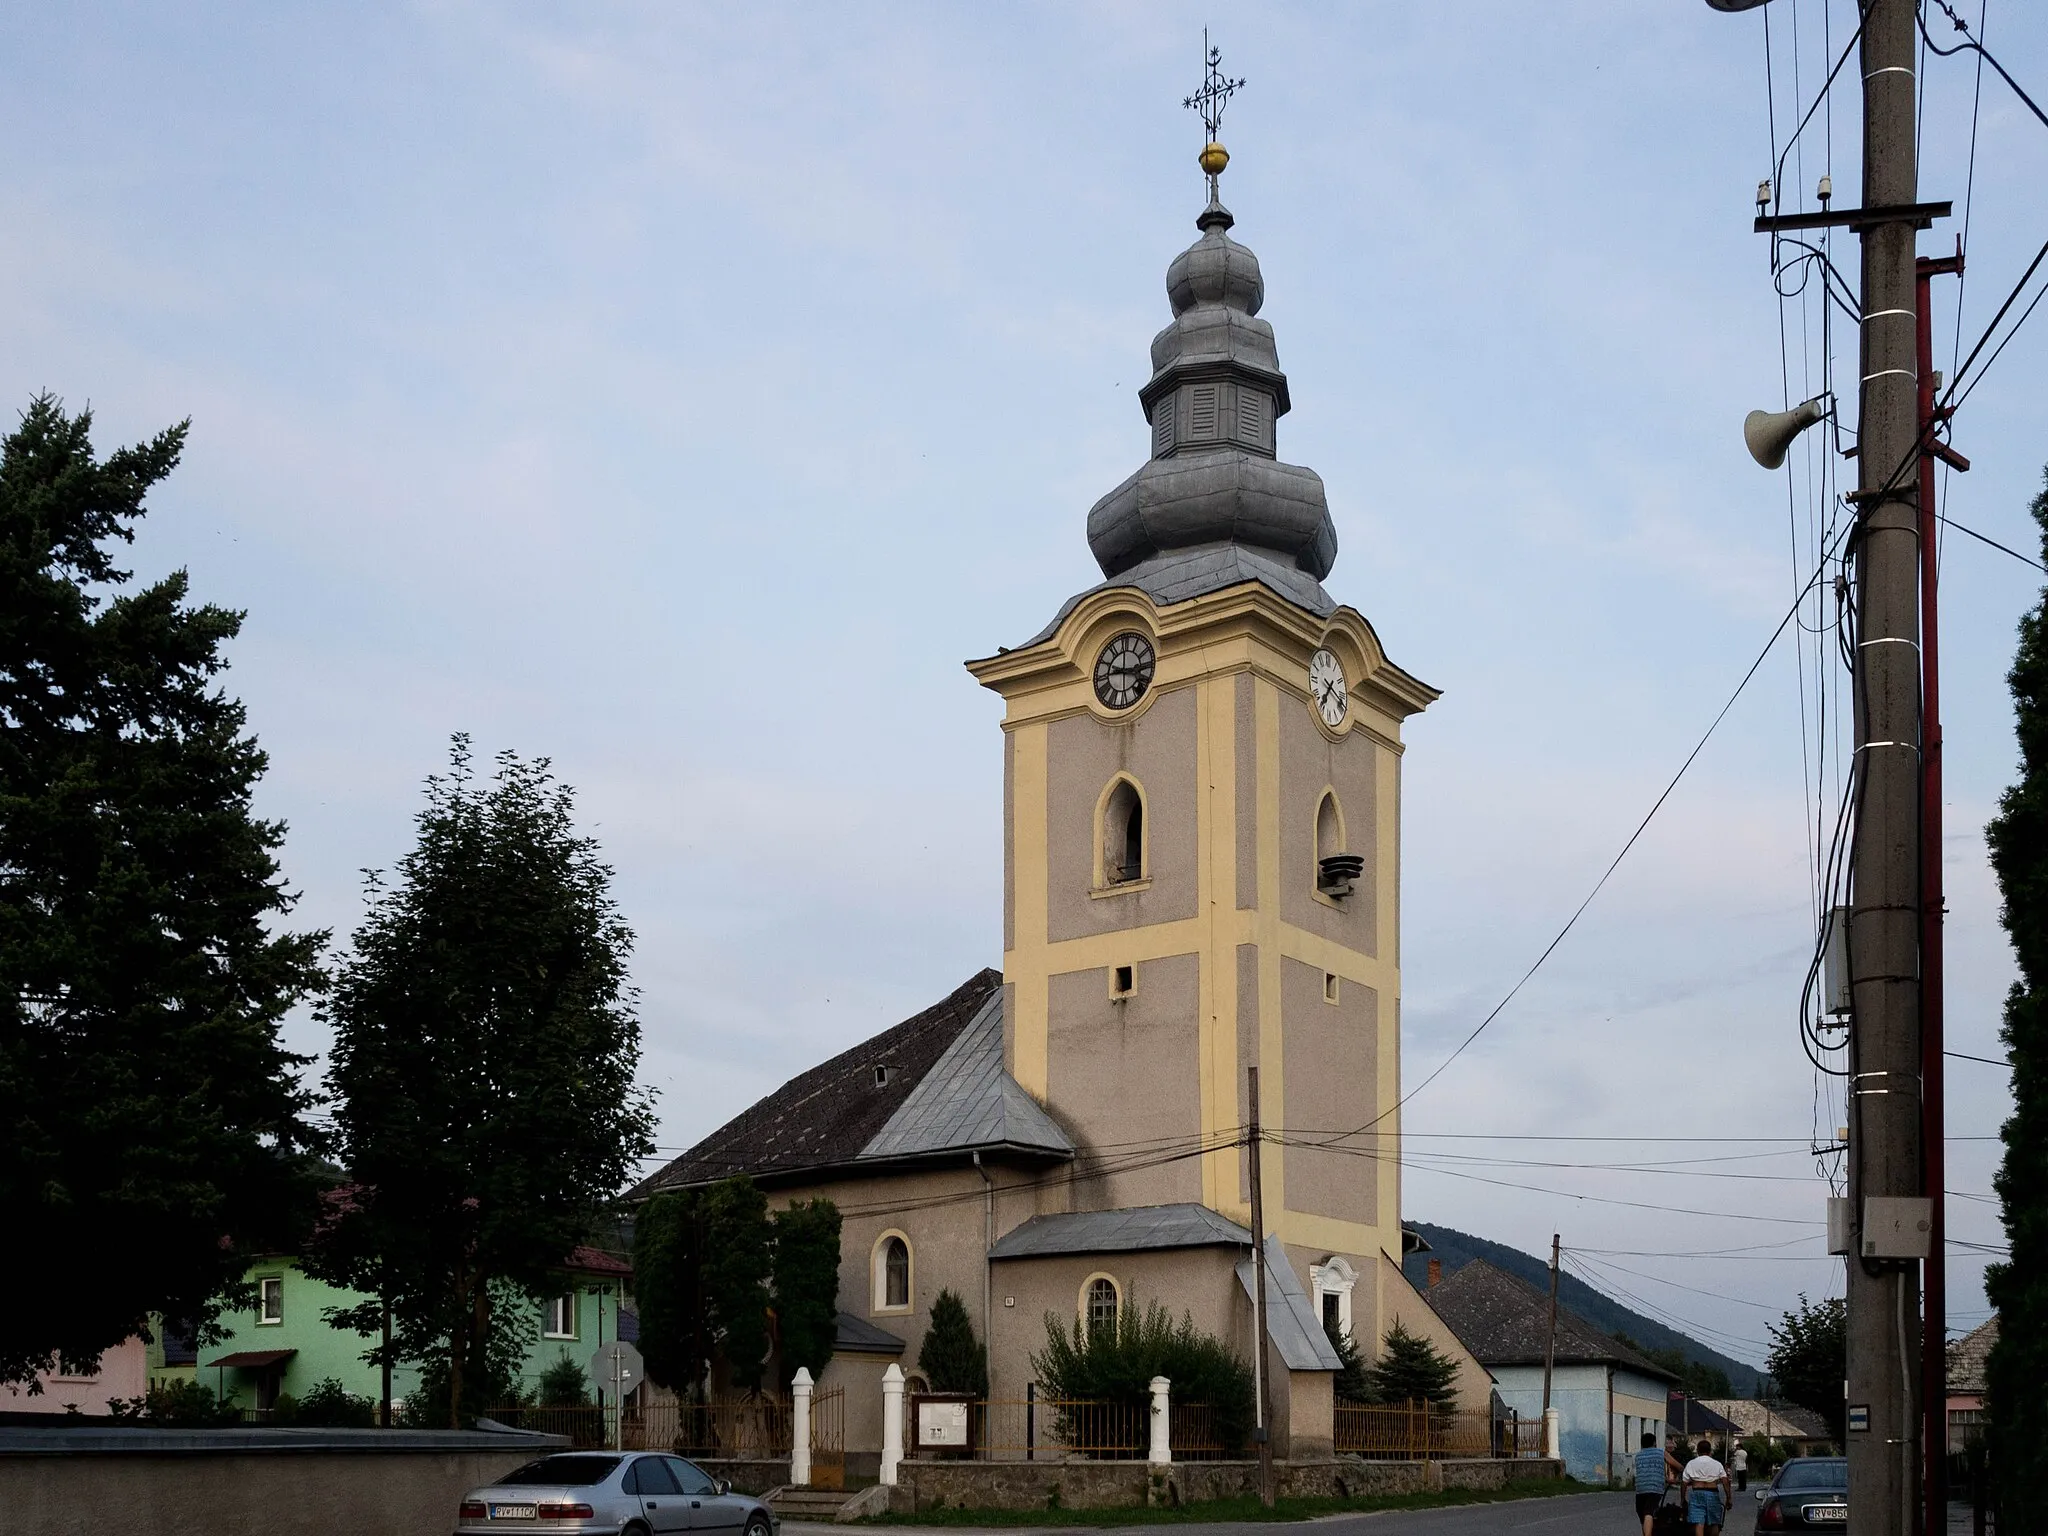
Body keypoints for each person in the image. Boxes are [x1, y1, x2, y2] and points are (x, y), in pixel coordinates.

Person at [1633, 1429, 1684, 1536]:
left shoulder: (1638, 1456)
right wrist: (1680, 1476)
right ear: (1654, 1443)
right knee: (1649, 1512)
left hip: (1640, 1488)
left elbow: (1648, 1472)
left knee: (1642, 1513)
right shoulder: (1661, 1453)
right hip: (1655, 1488)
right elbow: (1678, 1466)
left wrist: (1665, 1478)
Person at [1683, 1437, 1731, 1536]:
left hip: (1697, 1493)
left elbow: (1684, 1483)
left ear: (1697, 1451)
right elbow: (1725, 1481)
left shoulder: (1691, 1463)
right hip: (1712, 1493)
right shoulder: (1717, 1464)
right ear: (1710, 1451)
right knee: (1714, 1522)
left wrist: (1682, 1498)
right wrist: (1729, 1497)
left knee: (1699, 1522)